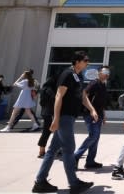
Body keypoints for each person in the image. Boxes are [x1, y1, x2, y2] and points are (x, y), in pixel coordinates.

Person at [32, 51, 96, 194]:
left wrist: (92, 109)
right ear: (77, 61)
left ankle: (40, 182)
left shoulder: (77, 76)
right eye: (86, 60)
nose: (87, 63)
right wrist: (55, 118)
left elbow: (82, 96)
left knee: (52, 150)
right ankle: (74, 184)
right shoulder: (67, 74)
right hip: (64, 117)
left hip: (69, 117)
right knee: (68, 149)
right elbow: (59, 96)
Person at [74, 65, 110, 170]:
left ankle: (90, 161)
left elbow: (101, 103)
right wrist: (92, 110)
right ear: (99, 73)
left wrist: (103, 115)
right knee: (93, 136)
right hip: (90, 114)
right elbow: (84, 94)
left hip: (98, 115)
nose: (107, 74)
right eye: (105, 72)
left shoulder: (103, 85)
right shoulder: (94, 83)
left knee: (96, 137)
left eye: (108, 72)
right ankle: (75, 157)